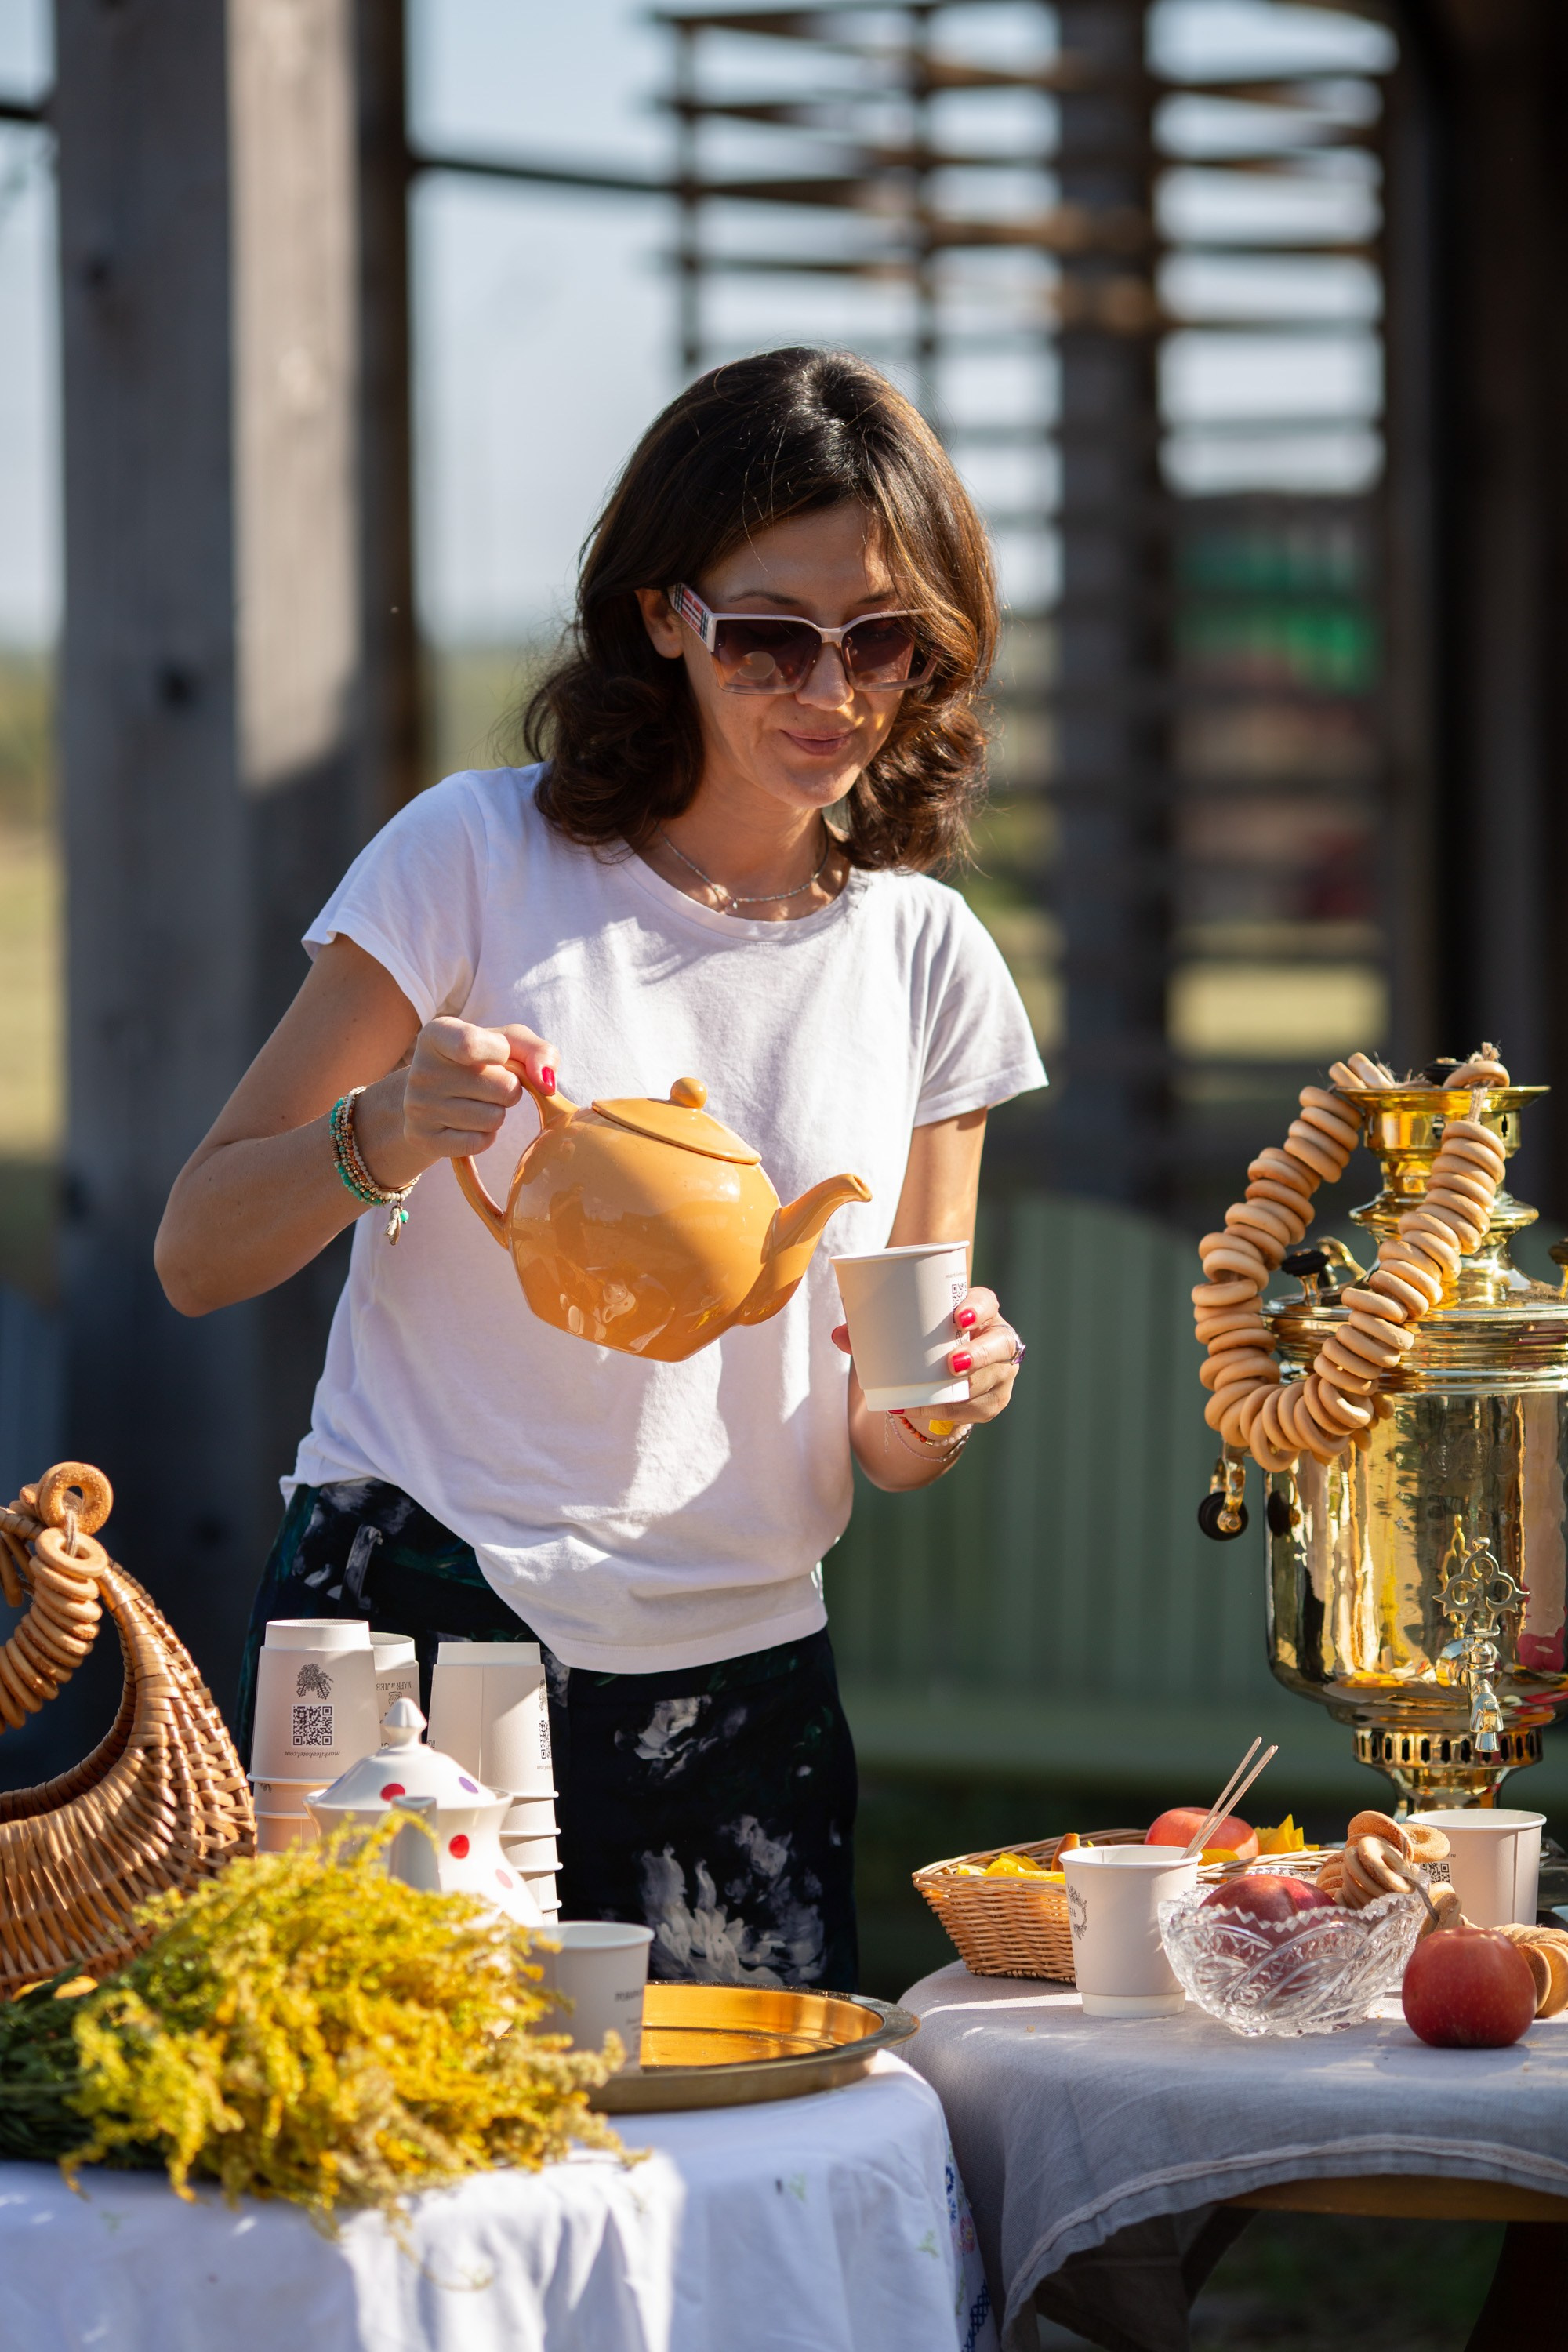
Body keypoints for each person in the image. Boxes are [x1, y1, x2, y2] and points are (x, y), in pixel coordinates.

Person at [155, 346, 1046, 1991]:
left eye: (884, 642)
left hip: (743, 1678)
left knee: (728, 2190)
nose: (829, 690)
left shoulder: (927, 959)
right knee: (388, 2175)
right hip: (414, 1624)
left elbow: (888, 1429)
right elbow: (198, 1251)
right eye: (773, 635)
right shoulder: (473, 858)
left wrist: (943, 1403)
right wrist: (384, 1136)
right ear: (664, 617)